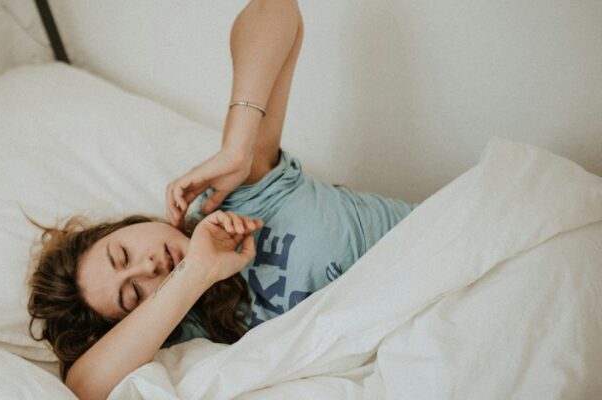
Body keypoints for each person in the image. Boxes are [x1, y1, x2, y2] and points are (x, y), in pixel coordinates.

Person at [26, 1, 416, 399]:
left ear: (129, 226)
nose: (148, 266)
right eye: (135, 295)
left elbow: (276, 9)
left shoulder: (238, 197)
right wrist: (195, 272)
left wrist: (237, 147)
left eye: (123, 255)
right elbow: (86, 388)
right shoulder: (193, 336)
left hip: (437, 254)